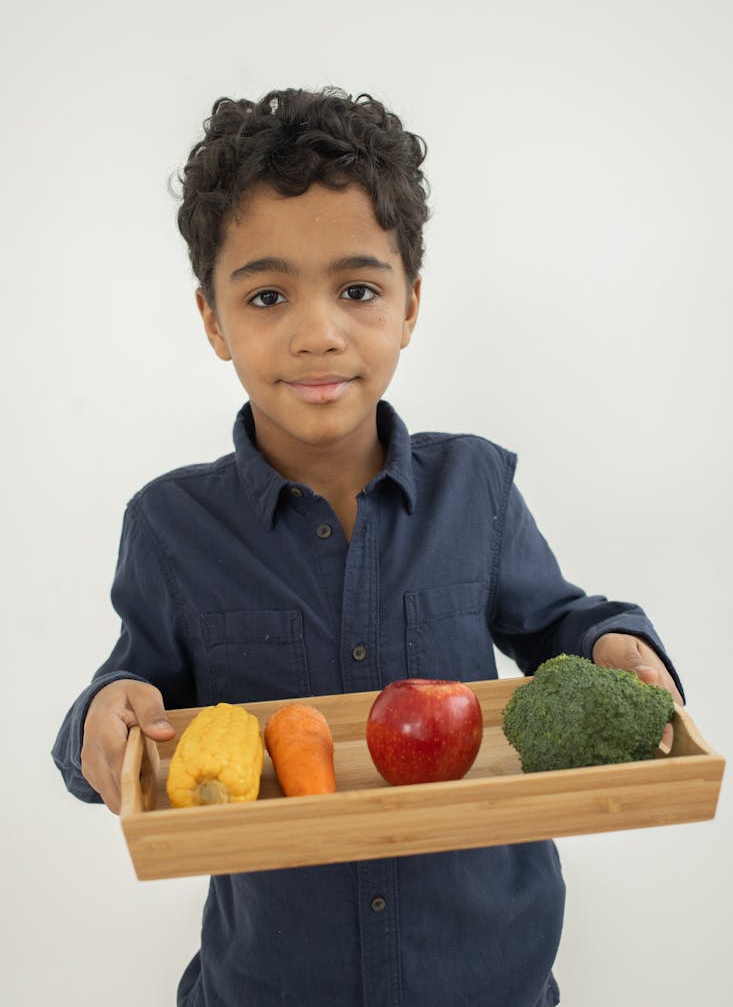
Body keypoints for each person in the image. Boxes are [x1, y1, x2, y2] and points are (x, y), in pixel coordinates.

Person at [52, 87, 684, 1007]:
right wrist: (105, 717)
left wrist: (616, 643)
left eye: (358, 289)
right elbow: (131, 696)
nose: (320, 332)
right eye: (268, 295)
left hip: (486, 978)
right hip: (272, 984)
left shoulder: (478, 489)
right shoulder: (170, 526)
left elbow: (562, 625)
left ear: (411, 304)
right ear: (212, 319)